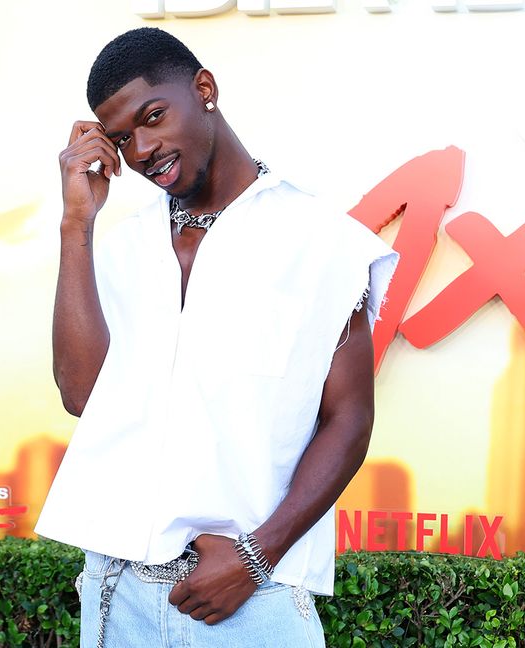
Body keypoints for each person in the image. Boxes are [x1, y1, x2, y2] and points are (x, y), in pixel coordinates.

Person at [34, 26, 399, 648]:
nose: (144, 149)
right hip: (116, 591)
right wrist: (76, 224)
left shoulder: (322, 244)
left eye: (153, 117)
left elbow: (348, 420)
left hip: (252, 597)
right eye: (123, 140)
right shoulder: (116, 248)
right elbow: (81, 395)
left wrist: (257, 557)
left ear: (204, 89)